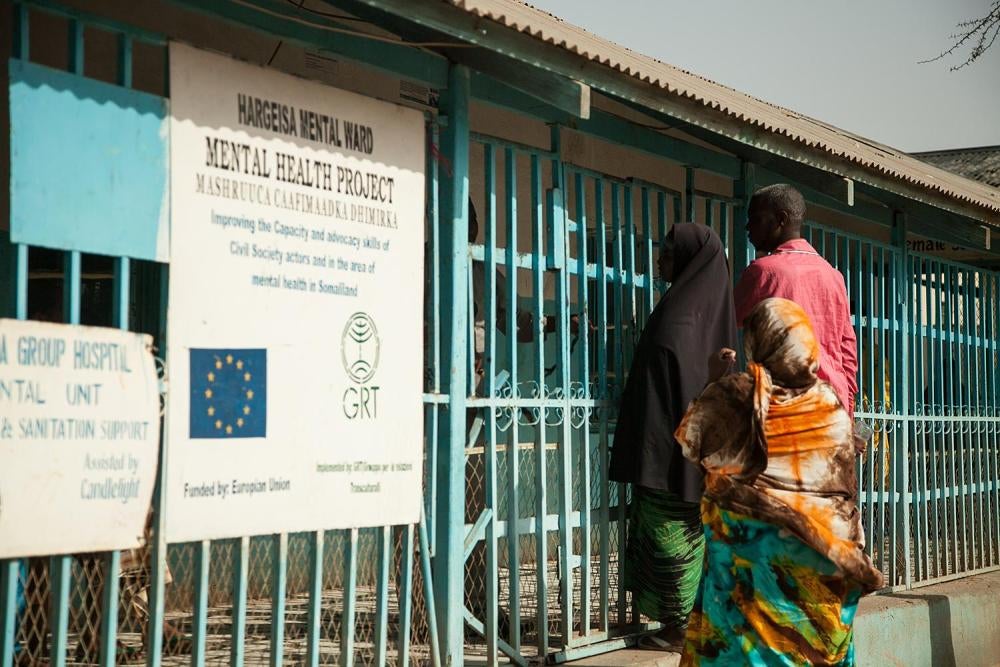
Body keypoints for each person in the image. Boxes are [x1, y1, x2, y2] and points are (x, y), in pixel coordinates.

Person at [675, 298, 883, 666]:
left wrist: (711, 379)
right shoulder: (830, 405)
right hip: (827, 565)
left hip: (752, 574)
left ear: (759, 342)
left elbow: (692, 446)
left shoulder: (738, 393)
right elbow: (843, 492)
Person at [610, 223, 738, 648]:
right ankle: (682, 623)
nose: (659, 259)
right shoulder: (704, 312)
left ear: (688, 259)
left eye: (667, 252)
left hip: (671, 454)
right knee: (675, 535)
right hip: (686, 453)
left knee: (670, 537)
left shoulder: (680, 315)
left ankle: (680, 627)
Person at [734, 184, 858, 415]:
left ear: (780, 219)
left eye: (755, 219)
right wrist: (847, 409)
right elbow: (847, 350)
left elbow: (725, 321)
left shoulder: (763, 272)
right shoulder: (833, 276)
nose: (748, 226)